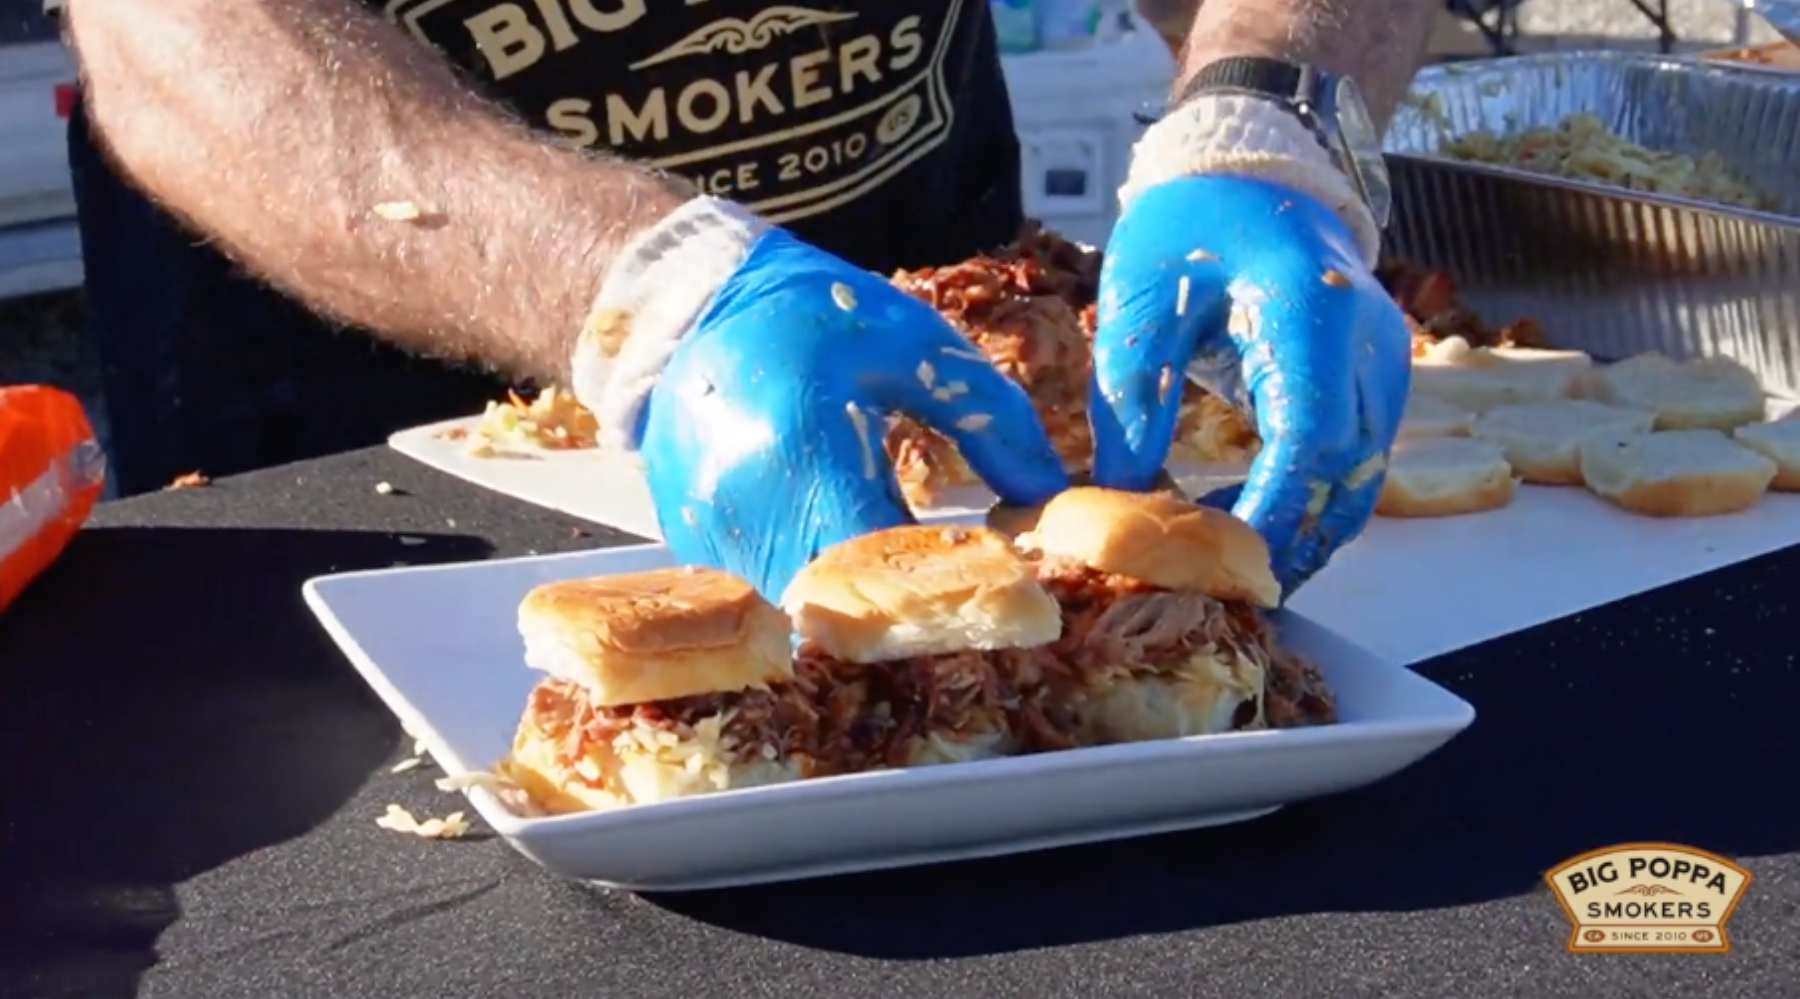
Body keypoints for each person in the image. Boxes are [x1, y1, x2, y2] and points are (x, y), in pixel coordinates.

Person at [65, 0, 1433, 600]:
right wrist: (648, 290)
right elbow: (174, 28)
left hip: (938, 304)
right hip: (373, 409)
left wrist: (1269, 117)